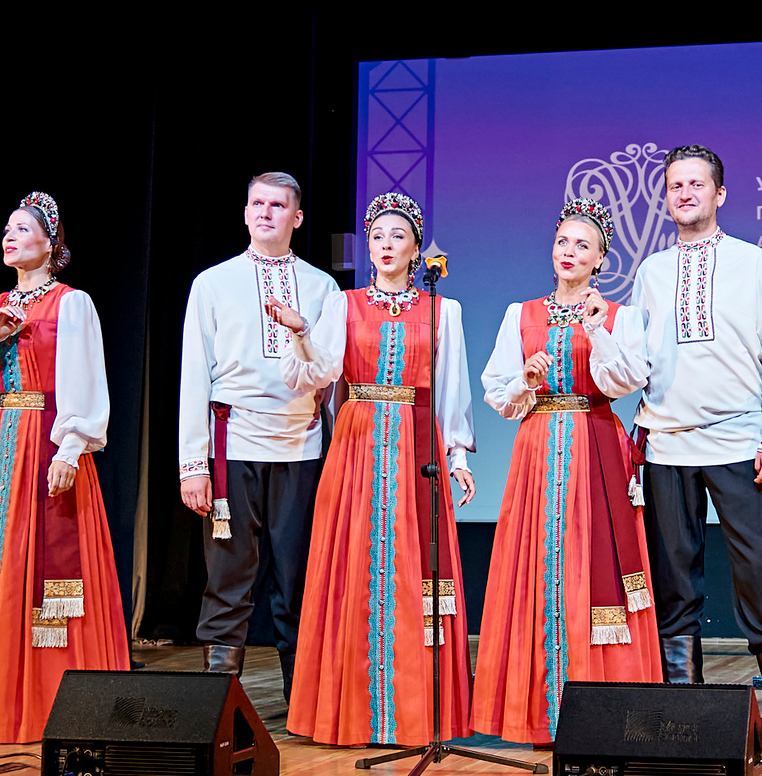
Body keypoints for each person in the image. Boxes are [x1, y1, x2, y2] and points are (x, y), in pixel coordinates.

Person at [278, 194, 477, 745]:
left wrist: (456, 456)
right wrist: (300, 331)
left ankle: (418, 710)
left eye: (397, 236)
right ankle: (350, 707)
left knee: (419, 569)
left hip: (416, 443)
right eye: (376, 237)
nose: (385, 246)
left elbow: (450, 392)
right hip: (359, 442)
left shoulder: (444, 309)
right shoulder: (345, 305)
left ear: (416, 248)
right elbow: (315, 374)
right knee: (354, 566)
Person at [0, 193, 130, 742]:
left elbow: (84, 377)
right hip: (4, 440)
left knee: (52, 565)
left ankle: (54, 701)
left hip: (46, 437)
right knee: (1, 563)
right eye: (6, 228)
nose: (9, 236)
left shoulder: (71, 303)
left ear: (51, 243)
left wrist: (70, 447)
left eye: (22, 229)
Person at [628, 145, 762, 730]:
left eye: (696, 184)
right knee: (675, 574)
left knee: (759, 570)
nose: (684, 193)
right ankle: (685, 707)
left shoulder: (755, 264)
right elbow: (636, 360)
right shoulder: (650, 272)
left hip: (737, 441)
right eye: (675, 185)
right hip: (667, 443)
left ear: (719, 194)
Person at [473, 199, 659, 743]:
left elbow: (627, 380)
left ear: (601, 258)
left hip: (595, 443)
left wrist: (598, 331)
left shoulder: (618, 315)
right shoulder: (520, 314)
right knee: (538, 564)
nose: (570, 252)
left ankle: (602, 706)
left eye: (583, 245)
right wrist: (527, 382)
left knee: (594, 561)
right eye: (562, 243)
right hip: (538, 447)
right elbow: (497, 392)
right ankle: (534, 708)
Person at [178, 171, 341, 688]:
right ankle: (217, 699)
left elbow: (334, 376)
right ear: (246, 213)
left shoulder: (322, 286)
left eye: (277, 205)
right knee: (229, 572)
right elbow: (194, 376)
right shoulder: (212, 283)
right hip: (233, 442)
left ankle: (303, 694)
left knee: (295, 574)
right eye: (257, 203)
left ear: (297, 218)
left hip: (301, 445)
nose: (265, 212)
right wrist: (192, 464)